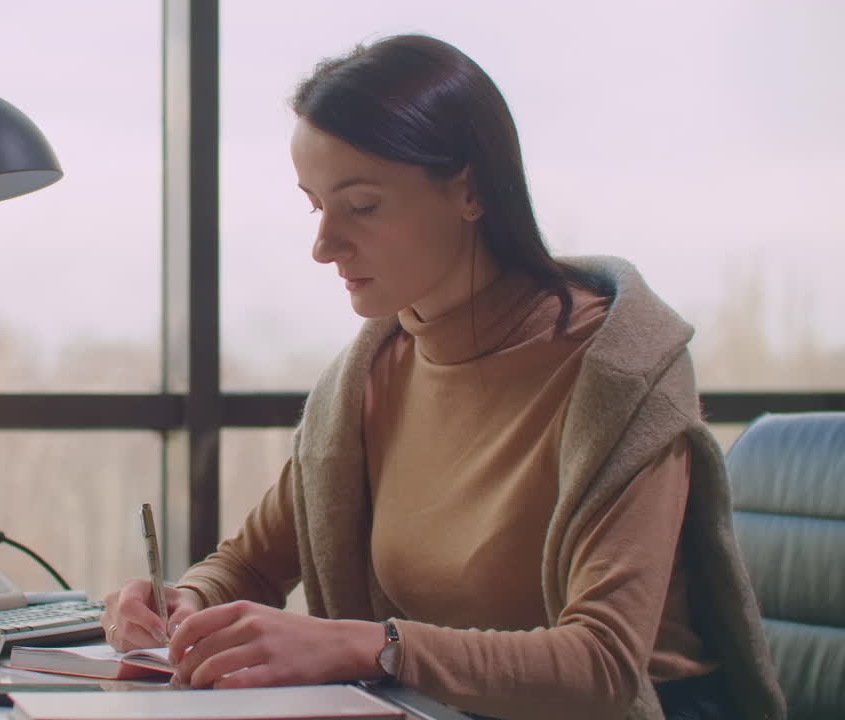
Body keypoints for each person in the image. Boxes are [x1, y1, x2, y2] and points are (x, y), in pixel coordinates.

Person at [100, 35, 784, 720]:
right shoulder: (367, 379)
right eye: (316, 207)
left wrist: (368, 647)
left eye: (361, 206)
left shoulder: (621, 376)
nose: (323, 246)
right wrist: (183, 601)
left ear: (470, 190)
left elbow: (603, 664)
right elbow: (248, 565)